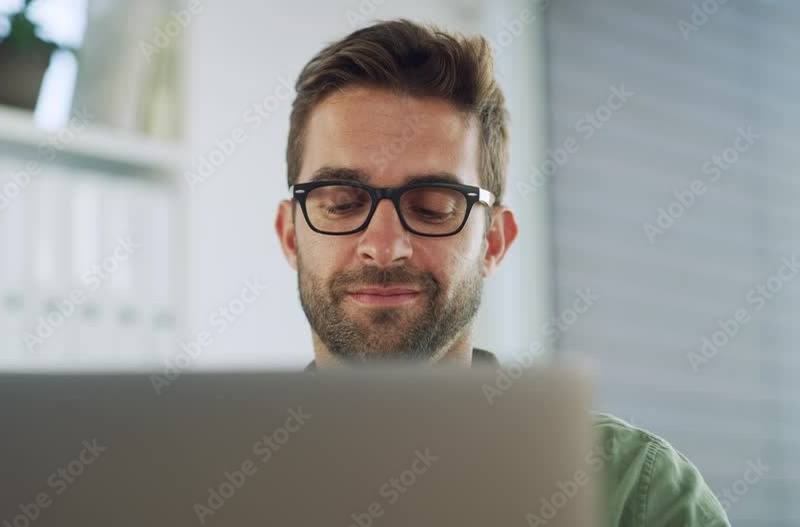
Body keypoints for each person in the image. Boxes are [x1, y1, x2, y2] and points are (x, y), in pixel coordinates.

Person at [273, 19, 729, 527]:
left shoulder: (635, 493)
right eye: (341, 202)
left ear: (493, 242)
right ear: (291, 235)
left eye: (431, 206)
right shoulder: (201, 480)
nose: (384, 248)